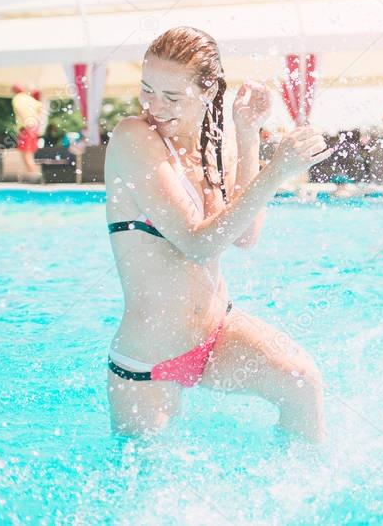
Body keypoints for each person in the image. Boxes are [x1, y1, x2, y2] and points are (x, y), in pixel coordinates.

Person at [105, 26, 331, 439]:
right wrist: (276, 173)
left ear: (208, 91)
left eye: (171, 96)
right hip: (148, 362)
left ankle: (306, 488)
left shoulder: (215, 143)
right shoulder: (132, 138)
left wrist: (247, 136)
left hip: (217, 335)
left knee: (301, 382)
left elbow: (245, 236)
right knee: (149, 487)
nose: (155, 106)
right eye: (148, 90)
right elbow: (196, 242)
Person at [11, 84, 43, 178]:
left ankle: (34, 175)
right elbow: (40, 107)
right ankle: (34, 174)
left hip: (26, 128)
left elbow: (20, 110)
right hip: (34, 127)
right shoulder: (29, 98)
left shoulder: (17, 98)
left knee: (25, 152)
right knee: (28, 152)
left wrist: (26, 121)